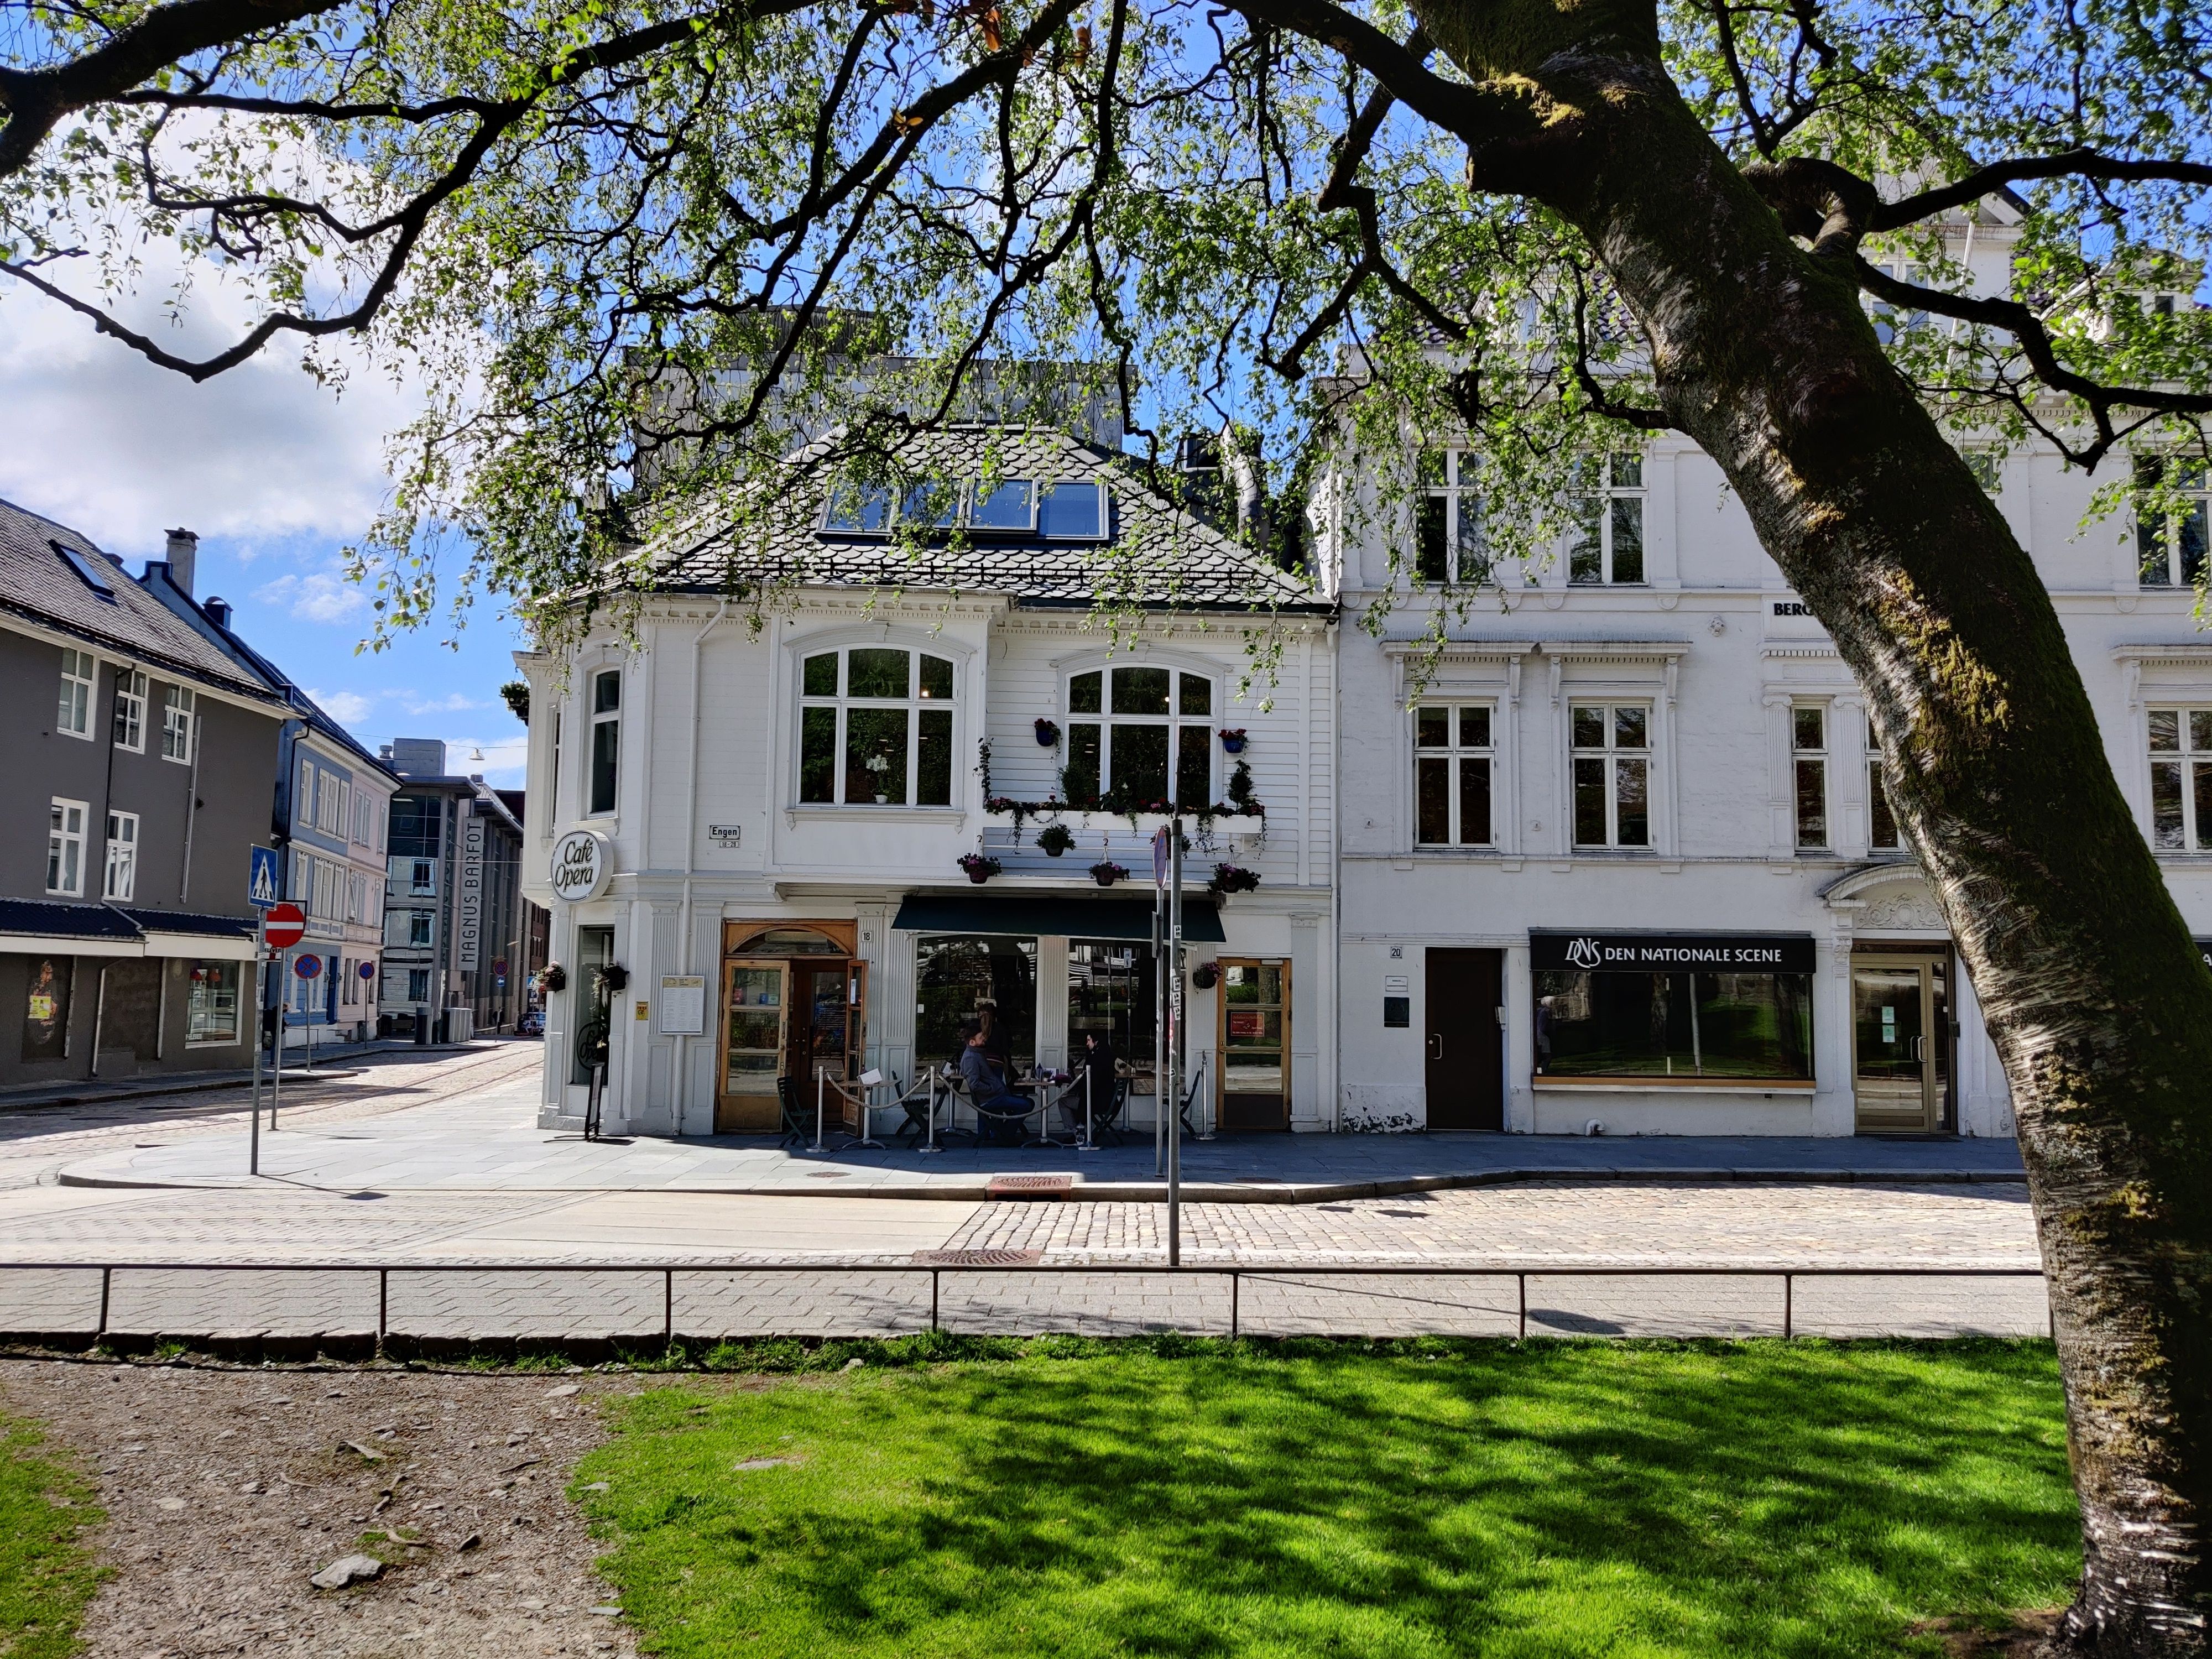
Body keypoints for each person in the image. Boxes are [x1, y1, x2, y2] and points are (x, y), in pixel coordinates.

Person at [958, 1022, 1030, 1144]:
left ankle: (1003, 1133)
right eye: (981, 1037)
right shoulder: (971, 1058)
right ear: (972, 1042)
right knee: (1027, 1104)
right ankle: (1005, 1134)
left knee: (1027, 1103)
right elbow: (974, 1084)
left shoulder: (978, 1054)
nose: (984, 1039)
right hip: (990, 1099)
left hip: (994, 1096)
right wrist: (993, 1088)